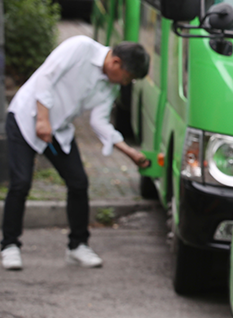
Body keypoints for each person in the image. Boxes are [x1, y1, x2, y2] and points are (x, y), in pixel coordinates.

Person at [1, 36, 151, 270]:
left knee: (79, 183)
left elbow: (100, 122)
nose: (125, 83)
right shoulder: (80, 47)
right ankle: (9, 246)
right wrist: (42, 119)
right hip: (26, 119)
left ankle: (77, 246)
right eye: (127, 77)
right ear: (116, 63)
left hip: (58, 130)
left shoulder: (109, 87)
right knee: (20, 183)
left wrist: (129, 152)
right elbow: (46, 76)